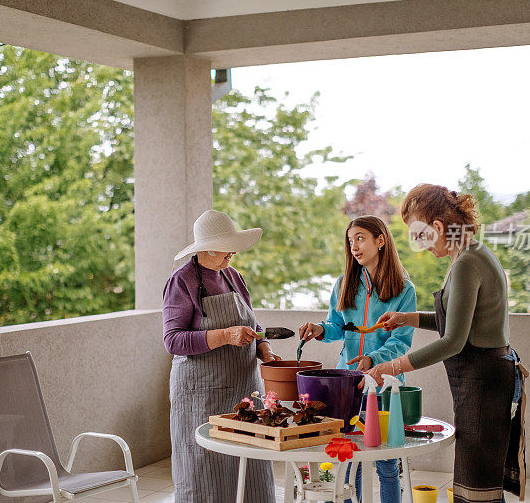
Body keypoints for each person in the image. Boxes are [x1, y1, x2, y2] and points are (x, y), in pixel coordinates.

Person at [363, 184, 527, 503]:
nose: (421, 246)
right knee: (478, 484)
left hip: (485, 383)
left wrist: (393, 366)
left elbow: (453, 341)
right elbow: (456, 320)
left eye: (421, 236)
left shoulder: (467, 262)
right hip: (482, 380)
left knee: (479, 488)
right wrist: (407, 318)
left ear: (438, 227)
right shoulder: (469, 254)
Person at [164, 209, 280, 503]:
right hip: (201, 396)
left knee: (250, 467)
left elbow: (254, 323)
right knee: (204, 470)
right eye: (227, 248)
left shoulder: (232, 276)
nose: (232, 255)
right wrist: (226, 335)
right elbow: (173, 341)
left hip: (244, 391)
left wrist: (265, 349)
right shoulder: (182, 281)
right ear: (207, 248)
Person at [299, 215, 416, 503]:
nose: (354, 246)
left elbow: (401, 342)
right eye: (350, 241)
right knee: (348, 461)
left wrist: (373, 359)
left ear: (380, 240)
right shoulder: (344, 284)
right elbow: (337, 325)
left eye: (361, 238)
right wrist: (320, 329)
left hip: (384, 385)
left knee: (386, 463)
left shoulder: (404, 290)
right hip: (346, 386)